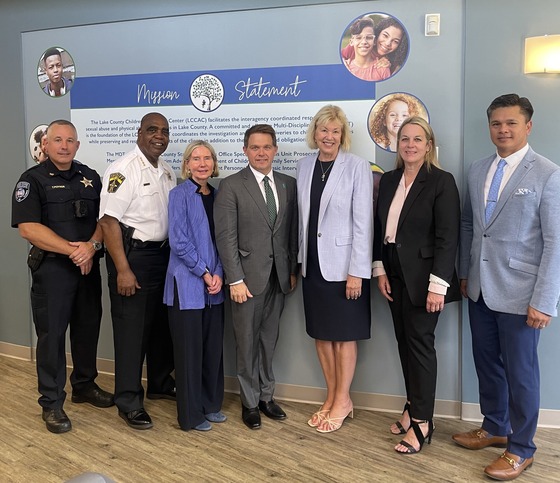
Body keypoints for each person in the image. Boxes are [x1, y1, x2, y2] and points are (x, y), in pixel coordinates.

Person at [453, 94, 560, 480]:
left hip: (521, 294)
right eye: (496, 123)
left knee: (521, 373)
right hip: (480, 289)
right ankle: (496, 425)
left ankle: (521, 448)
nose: (503, 130)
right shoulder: (477, 169)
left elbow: (555, 242)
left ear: (527, 126)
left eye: (511, 123)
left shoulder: (547, 173)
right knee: (487, 364)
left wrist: (544, 301)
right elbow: (469, 225)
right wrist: (466, 273)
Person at [11, 120, 113, 434]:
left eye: (70, 140)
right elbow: (29, 229)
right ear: (46, 144)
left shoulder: (90, 177)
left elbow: (105, 219)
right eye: (57, 139)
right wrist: (73, 251)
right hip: (53, 270)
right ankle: (52, 402)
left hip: (87, 268)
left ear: (77, 145)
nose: (64, 145)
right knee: (52, 337)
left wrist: (92, 246)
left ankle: (84, 385)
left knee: (87, 329)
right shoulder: (32, 180)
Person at [373, 116, 461, 454]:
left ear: (428, 145)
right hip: (393, 275)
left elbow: (447, 237)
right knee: (404, 344)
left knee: (421, 347)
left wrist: (438, 285)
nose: (410, 144)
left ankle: (424, 421)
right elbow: (380, 229)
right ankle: (412, 408)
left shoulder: (441, 181)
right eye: (404, 139)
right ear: (398, 145)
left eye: (417, 139)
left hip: (426, 281)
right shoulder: (391, 179)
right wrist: (379, 269)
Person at [214, 124, 298, 430]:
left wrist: (292, 272)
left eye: (266, 147)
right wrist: (234, 279)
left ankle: (266, 397)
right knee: (246, 342)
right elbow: (226, 238)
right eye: (255, 147)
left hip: (279, 278)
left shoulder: (289, 184)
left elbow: (291, 233)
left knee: (268, 340)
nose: (261, 153)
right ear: (245, 150)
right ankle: (249, 402)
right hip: (246, 281)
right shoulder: (232, 185)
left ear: (275, 150)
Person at [297, 105, 373, 433]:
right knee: (322, 336)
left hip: (344, 269)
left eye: (335, 131)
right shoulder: (303, 166)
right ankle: (330, 397)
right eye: (323, 130)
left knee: (343, 338)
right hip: (312, 266)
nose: (329, 136)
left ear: (343, 135)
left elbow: (363, 223)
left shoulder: (356, 167)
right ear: (315, 134)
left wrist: (357, 271)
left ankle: (344, 400)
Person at [99, 112, 176, 430]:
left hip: (162, 257)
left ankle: (159, 382)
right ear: (139, 133)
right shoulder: (123, 169)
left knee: (160, 326)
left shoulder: (167, 171)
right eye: (152, 130)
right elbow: (107, 222)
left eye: (165, 131)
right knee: (132, 332)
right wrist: (123, 270)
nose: (159, 135)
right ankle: (128, 399)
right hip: (132, 259)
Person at [164, 140, 226, 432]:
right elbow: (178, 241)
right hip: (187, 284)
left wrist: (219, 274)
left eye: (207, 158)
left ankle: (211, 404)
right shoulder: (179, 194)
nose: (202, 163)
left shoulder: (220, 195)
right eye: (196, 158)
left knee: (212, 348)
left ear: (214, 163)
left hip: (216, 284)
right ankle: (190, 415)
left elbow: (225, 240)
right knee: (189, 352)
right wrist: (204, 272)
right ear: (187, 164)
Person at [341, 15, 408, 80]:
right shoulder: (356, 46)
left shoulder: (389, 64)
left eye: (395, 41)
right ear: (377, 35)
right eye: (385, 35)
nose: (388, 43)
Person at [342, 17, 390, 82]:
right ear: (351, 42)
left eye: (369, 37)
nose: (364, 42)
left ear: (375, 42)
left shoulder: (382, 69)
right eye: (358, 38)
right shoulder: (346, 67)